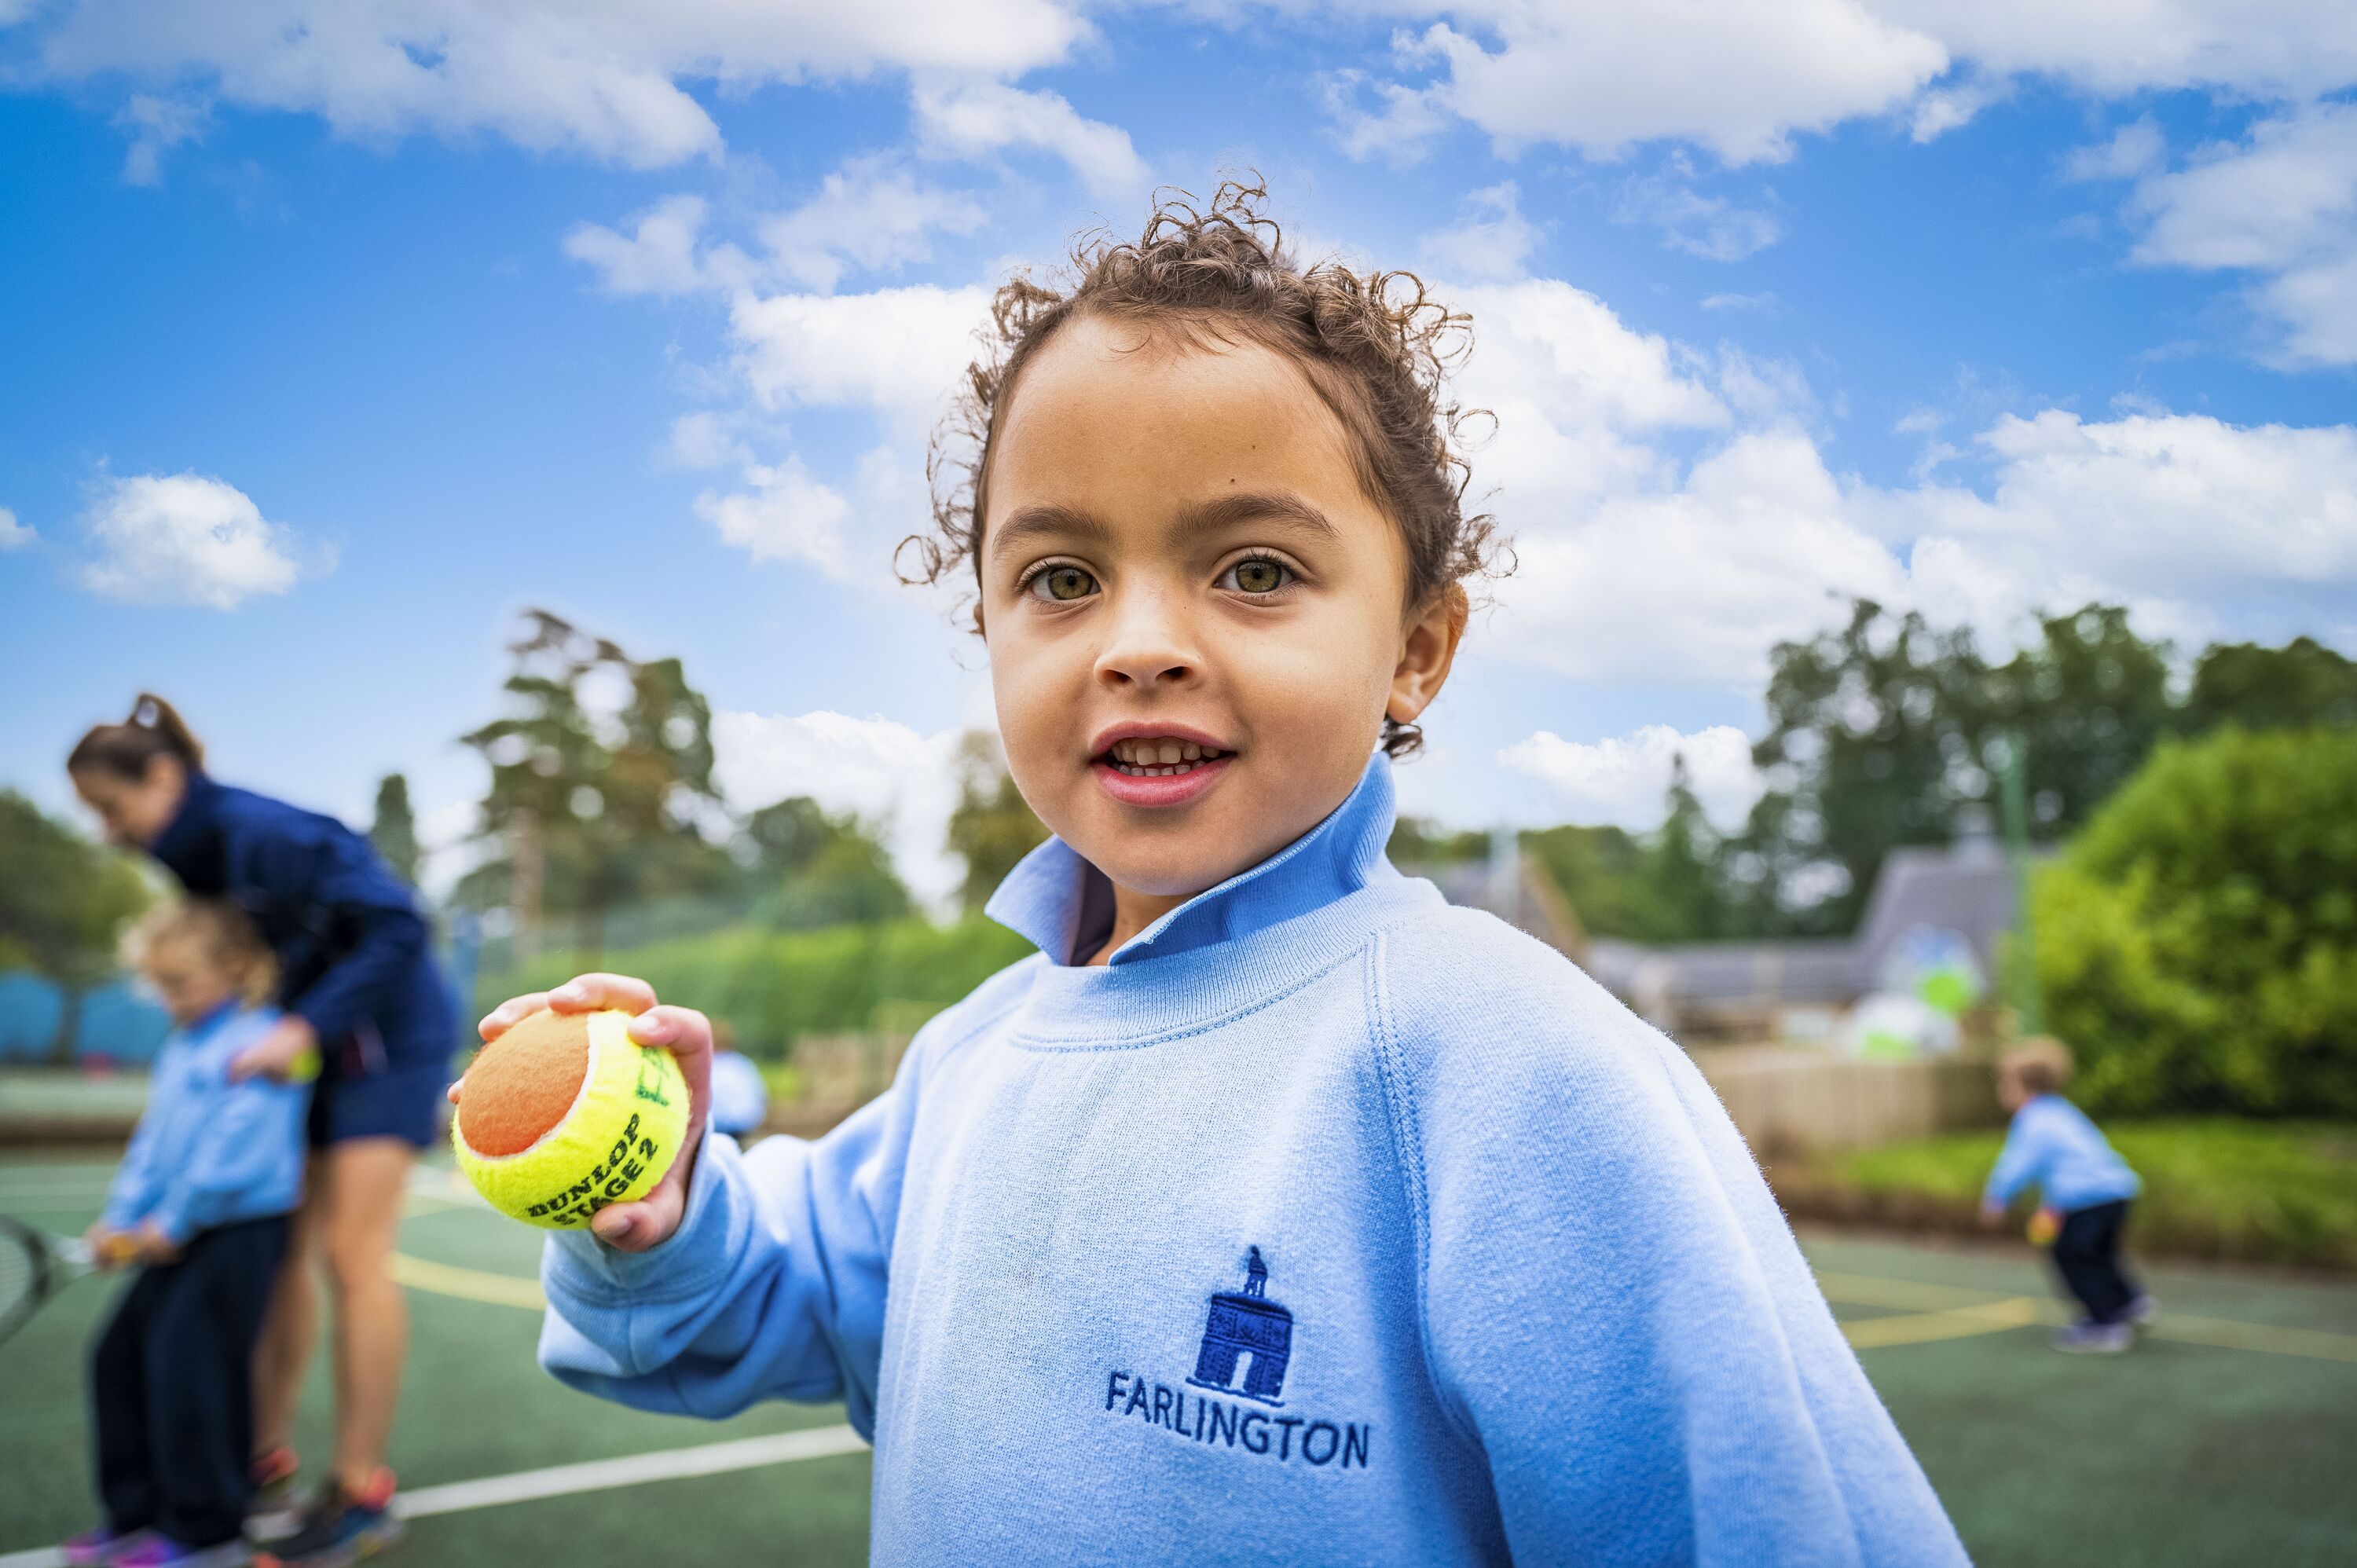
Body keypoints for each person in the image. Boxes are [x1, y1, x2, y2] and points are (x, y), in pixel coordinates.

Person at [473, 183, 1967, 1564]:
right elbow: (775, 1301)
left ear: (1415, 652)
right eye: (1060, 579)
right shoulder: (977, 1054)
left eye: (1255, 569)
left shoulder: (1511, 1066)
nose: (1139, 642)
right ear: (987, 624)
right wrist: (666, 1209)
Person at [69, 697, 456, 1565]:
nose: (107, 830)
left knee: (353, 1258)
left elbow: (400, 924)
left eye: (109, 807)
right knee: (280, 1255)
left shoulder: (264, 832)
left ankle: (360, 1488)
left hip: (385, 1045)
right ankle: (261, 1456)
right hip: (308, 1047)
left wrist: (301, 1026)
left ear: (162, 776)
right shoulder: (194, 853)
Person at [69, 902, 310, 1568]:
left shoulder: (271, 1040)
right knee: (115, 1357)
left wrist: (170, 1224)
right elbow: (153, 1143)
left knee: (192, 1372)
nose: (167, 998)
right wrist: (122, 1219)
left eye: (179, 982)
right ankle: (136, 1515)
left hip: (237, 1233)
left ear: (233, 967)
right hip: (171, 1233)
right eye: (158, 984)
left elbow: (238, 1151)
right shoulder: (182, 1045)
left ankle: (208, 1535)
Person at [1981, 1037, 2150, 1353]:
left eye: (2005, 1083)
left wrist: (1997, 1198)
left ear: (2020, 1087)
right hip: (2117, 1191)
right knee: (2100, 1253)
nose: (2002, 1090)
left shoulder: (2032, 1120)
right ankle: (2128, 1302)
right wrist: (2053, 1206)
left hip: (2087, 1198)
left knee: (2071, 1255)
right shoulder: (2062, 1110)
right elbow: (2073, 1160)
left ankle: (2105, 1323)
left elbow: (2017, 1164)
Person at [703, 1023, 769, 1140]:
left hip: (717, 1127)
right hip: (744, 1125)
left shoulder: (708, 1064)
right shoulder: (743, 1063)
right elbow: (762, 1097)